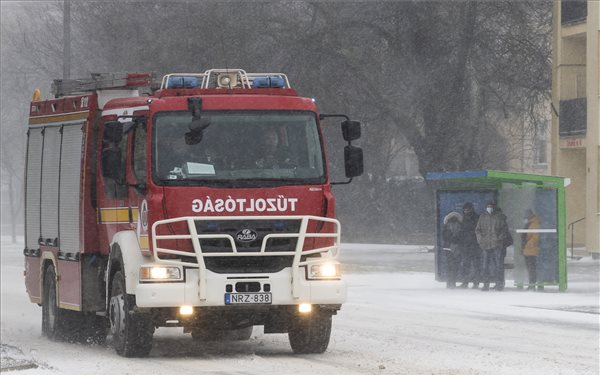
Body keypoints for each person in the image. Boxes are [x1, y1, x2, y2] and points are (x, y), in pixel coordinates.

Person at [475, 201, 510, 291]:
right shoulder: (482, 217)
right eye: (488, 206)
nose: (489, 208)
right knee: (485, 266)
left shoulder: (499, 217)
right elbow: (478, 230)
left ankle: (499, 284)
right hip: (485, 245)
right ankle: (486, 284)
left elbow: (504, 230)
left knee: (498, 265)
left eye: (491, 206)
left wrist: (499, 239)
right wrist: (480, 240)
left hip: (497, 245)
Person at [458, 202, 481, 289]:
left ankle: (474, 282)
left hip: (474, 245)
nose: (466, 211)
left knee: (474, 264)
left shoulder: (475, 218)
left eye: (467, 209)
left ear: (471, 209)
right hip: (467, 245)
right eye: (465, 209)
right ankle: (466, 282)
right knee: (467, 264)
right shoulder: (464, 219)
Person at [442, 211, 463, 289]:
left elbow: (445, 236)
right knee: (455, 266)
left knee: (450, 265)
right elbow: (461, 236)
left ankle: (449, 282)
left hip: (447, 247)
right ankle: (452, 282)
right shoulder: (460, 225)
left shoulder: (446, 225)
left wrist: (451, 239)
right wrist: (456, 239)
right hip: (456, 247)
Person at [521, 209, 540, 290]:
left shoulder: (534, 223)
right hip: (528, 249)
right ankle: (531, 284)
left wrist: (528, 245)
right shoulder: (530, 223)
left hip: (531, 249)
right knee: (530, 268)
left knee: (531, 268)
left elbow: (535, 237)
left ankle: (532, 284)